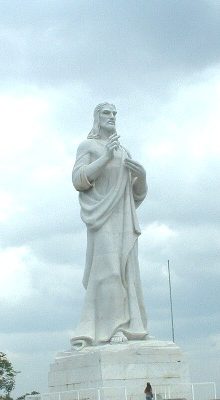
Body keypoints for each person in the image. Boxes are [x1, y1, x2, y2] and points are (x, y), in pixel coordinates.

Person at [71, 103, 149, 348]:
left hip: (123, 217)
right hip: (101, 217)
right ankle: (110, 328)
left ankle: (130, 327)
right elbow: (78, 180)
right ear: (97, 117)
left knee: (126, 271)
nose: (112, 117)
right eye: (107, 113)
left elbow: (134, 194)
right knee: (108, 271)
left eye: (115, 113)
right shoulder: (88, 146)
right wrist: (105, 158)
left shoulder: (123, 150)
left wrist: (142, 178)